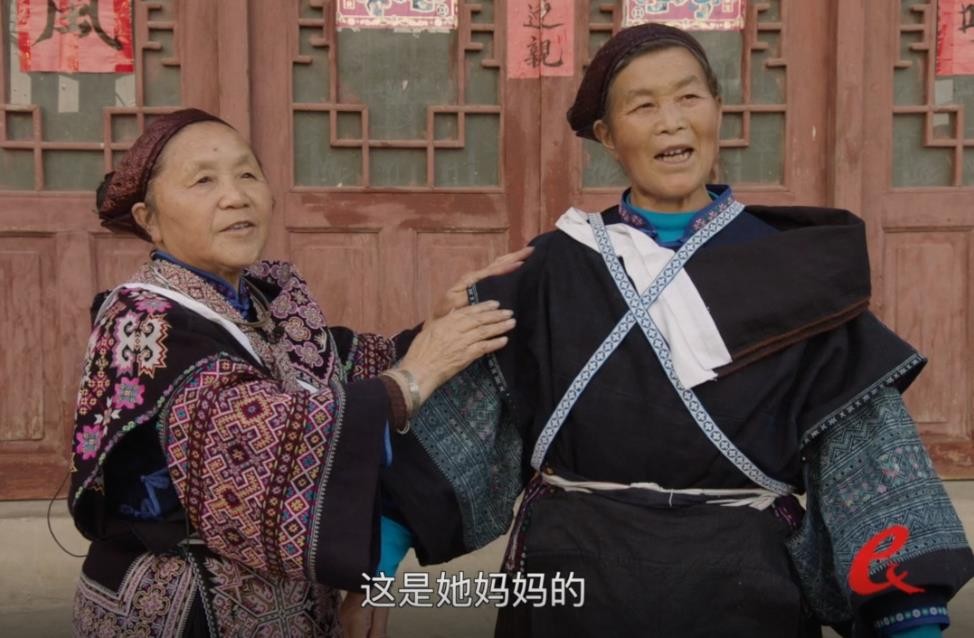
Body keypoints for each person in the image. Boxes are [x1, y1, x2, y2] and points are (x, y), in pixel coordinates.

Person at [377, 23, 974, 638]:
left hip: (744, 581)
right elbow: (451, 432)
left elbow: (867, 449)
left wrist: (908, 621)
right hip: (570, 577)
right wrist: (372, 568)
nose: (671, 121)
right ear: (607, 135)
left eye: (689, 97)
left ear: (717, 108)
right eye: (643, 106)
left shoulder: (795, 274)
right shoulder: (550, 270)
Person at [67, 107, 530, 636]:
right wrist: (412, 379)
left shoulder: (263, 302)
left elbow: (357, 369)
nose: (236, 196)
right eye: (203, 181)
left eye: (248, 174)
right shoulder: (142, 322)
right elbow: (259, 435)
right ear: (148, 218)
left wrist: (443, 328)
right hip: (177, 607)